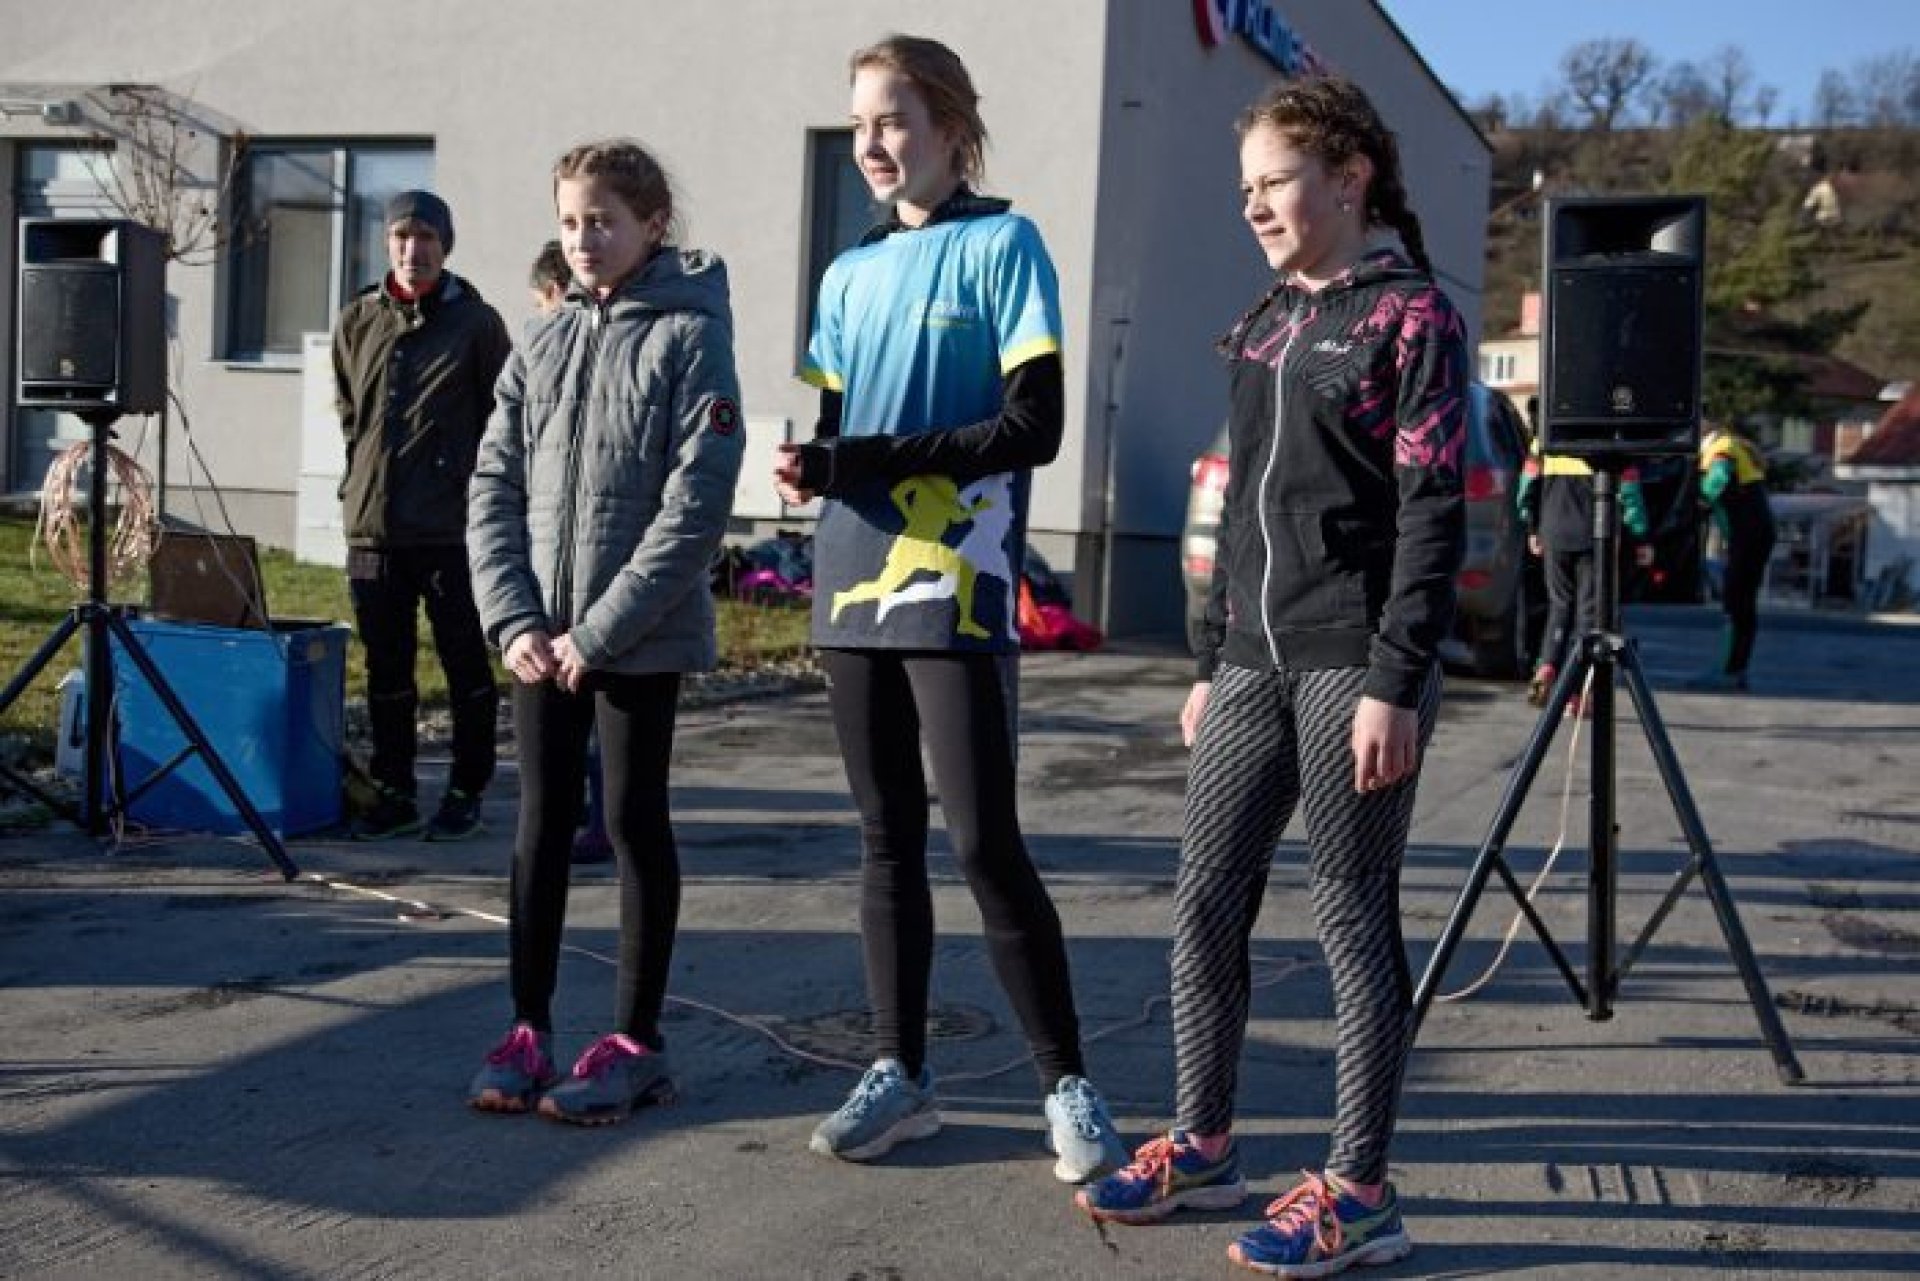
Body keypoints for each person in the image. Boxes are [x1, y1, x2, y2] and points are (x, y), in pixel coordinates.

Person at [1075, 76, 1468, 1279]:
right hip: (1250, 660)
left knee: (1349, 914)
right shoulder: (1262, 325)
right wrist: (1209, 660)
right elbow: (1242, 513)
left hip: (1356, 662)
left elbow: (1434, 513)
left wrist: (1396, 679)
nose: (1252, 205)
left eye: (1275, 182)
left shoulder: (1412, 318)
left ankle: (1361, 1193)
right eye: (1243, 187)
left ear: (1347, 178)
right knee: (1204, 902)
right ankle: (1204, 1146)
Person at [772, 33, 1127, 1184]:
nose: (873, 143)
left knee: (982, 841)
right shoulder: (846, 274)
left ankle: (1067, 1084)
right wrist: (809, 468)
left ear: (952, 129)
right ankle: (900, 1073)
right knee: (885, 840)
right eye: (860, 124)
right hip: (851, 581)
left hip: (958, 587)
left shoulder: (1005, 245)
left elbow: (1035, 429)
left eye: (893, 120)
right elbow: (835, 435)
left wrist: (859, 460)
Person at [465, 140, 744, 1122]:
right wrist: (514, 619)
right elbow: (492, 485)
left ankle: (636, 1041)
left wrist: (602, 630)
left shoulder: (690, 336)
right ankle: (527, 1026)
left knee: (631, 819)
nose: (583, 240)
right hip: (540, 637)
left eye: (604, 221)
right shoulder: (540, 341)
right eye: (571, 222)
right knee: (539, 824)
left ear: (652, 225)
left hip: (637, 635)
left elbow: (696, 503)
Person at [333, 190, 510, 841]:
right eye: (402, 237)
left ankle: (467, 787)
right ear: (387, 243)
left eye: (427, 238)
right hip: (372, 529)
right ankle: (395, 790)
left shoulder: (477, 324)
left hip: (450, 531)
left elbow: (502, 422)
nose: (414, 251)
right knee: (386, 669)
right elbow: (351, 412)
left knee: (465, 663)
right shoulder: (358, 319)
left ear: (445, 245)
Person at [526, 238, 613, 865]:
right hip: (546, 602)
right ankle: (592, 815)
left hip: (604, 605)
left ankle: (603, 819)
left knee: (603, 733)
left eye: (541, 302)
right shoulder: (535, 356)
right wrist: (513, 621)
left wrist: (600, 629)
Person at [1515, 442, 1650, 710]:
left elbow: (1526, 485)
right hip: (1595, 534)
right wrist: (1640, 535)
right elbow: (1630, 492)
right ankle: (1578, 692)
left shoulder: (1545, 438)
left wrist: (1531, 526)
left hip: (1554, 529)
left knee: (1559, 604)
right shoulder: (1612, 436)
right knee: (1588, 611)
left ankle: (1547, 665)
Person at [1690, 422, 1775, 691]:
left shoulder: (1720, 449)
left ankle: (1729, 670)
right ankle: (1736, 668)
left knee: (1736, 602)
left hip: (1748, 534)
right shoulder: (1732, 445)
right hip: (1755, 533)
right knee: (1743, 603)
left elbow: (1717, 477)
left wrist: (1700, 501)